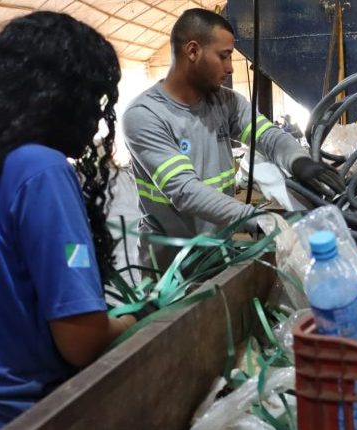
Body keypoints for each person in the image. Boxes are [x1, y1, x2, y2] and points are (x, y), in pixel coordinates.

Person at [0, 12, 136, 428]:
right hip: (27, 413)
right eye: (92, 97)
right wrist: (133, 321)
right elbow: (81, 340)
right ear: (58, 95)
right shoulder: (40, 169)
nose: (95, 117)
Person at [122, 8, 344, 271]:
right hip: (172, 269)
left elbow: (268, 136)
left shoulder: (225, 102)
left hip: (219, 253)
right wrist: (258, 218)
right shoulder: (145, 115)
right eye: (223, 56)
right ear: (192, 51)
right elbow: (185, 191)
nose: (229, 68)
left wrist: (299, 161)